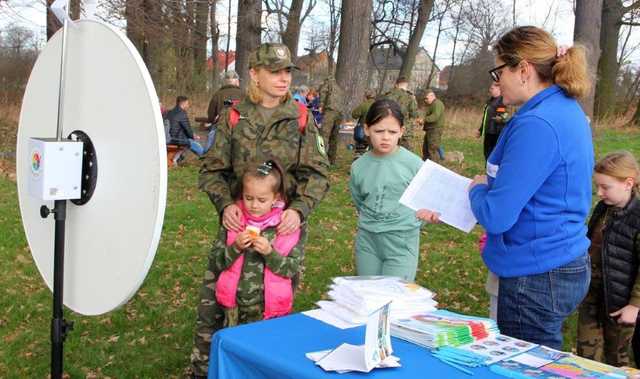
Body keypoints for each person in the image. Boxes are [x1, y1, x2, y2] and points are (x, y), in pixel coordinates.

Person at [419, 26, 594, 349]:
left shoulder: (537, 124)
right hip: (559, 257)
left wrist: (477, 188)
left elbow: (497, 215)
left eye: (500, 70)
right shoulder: (563, 110)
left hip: (536, 272)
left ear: (524, 70)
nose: (497, 81)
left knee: (523, 365)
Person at [191, 42, 330, 378]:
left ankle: (263, 369)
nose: (283, 79)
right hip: (239, 222)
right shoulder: (234, 116)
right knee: (216, 302)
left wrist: (298, 210)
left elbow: (319, 174)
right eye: (275, 71)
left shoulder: (299, 118)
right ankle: (204, 369)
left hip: (282, 229)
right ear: (254, 73)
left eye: (287, 72)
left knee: (273, 304)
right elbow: (211, 170)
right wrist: (224, 205)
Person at [207, 160, 304, 348]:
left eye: (262, 200)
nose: (254, 205)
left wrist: (269, 252)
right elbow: (217, 262)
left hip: (268, 310)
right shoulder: (234, 221)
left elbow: (291, 269)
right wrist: (235, 247)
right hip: (234, 308)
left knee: (264, 350)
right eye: (248, 198)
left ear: (275, 198)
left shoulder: (284, 227)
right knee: (236, 349)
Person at [577, 151, 640, 367]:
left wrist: (635, 305)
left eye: (605, 187)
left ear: (628, 183)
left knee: (617, 362)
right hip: (590, 297)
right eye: (598, 186)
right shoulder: (603, 208)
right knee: (586, 358)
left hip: (620, 305)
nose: (599, 192)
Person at [349, 99, 424, 281]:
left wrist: (411, 223)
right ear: (366, 130)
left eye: (392, 132)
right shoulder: (358, 166)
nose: (385, 137)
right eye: (379, 131)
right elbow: (359, 200)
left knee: (395, 298)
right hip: (368, 241)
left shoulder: (414, 165)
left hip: (401, 241)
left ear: (401, 131)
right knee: (370, 294)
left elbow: (427, 201)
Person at [382, 76, 419, 151]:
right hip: (405, 131)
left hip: (389, 128)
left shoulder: (386, 96)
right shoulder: (409, 96)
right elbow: (414, 114)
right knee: (406, 154)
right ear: (406, 85)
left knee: (389, 152)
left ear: (396, 84)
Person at [478, 82, 509, 161]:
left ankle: (492, 171)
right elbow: (485, 118)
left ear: (499, 89)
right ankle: (488, 170)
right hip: (488, 132)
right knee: (486, 153)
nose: (490, 90)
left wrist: (501, 118)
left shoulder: (502, 101)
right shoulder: (490, 101)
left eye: (492, 88)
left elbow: (504, 116)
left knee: (492, 155)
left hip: (495, 133)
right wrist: (480, 130)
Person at [318, 77, 344, 165]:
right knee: (334, 137)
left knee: (323, 135)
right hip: (339, 113)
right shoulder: (339, 89)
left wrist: (321, 105)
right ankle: (331, 160)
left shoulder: (328, 83)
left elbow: (323, 92)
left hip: (330, 111)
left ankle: (321, 160)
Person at [422, 89, 445, 161]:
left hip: (435, 130)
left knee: (432, 150)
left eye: (426, 98)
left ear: (432, 96)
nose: (425, 100)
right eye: (424, 99)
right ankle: (425, 165)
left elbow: (435, 116)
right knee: (426, 149)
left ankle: (434, 167)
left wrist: (424, 120)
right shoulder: (431, 104)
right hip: (430, 130)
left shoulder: (437, 103)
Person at [351, 90, 375, 159]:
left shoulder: (364, 105)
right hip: (375, 133)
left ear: (366, 96)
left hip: (363, 132)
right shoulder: (378, 105)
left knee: (360, 150)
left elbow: (354, 114)